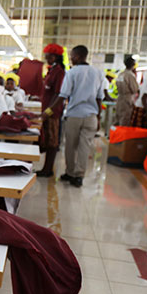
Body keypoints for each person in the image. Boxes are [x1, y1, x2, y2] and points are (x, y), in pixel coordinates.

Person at [43, 45, 104, 188]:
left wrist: (48, 112)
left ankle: (70, 173)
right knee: (85, 147)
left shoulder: (72, 73)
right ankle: (79, 176)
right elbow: (99, 98)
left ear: (77, 56)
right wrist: (99, 118)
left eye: (72, 56)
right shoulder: (98, 73)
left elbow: (62, 96)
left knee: (70, 146)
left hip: (74, 115)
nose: (70, 58)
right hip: (91, 116)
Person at [36, 44, 67, 177]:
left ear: (54, 56)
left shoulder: (59, 71)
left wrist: (48, 111)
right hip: (48, 111)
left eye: (48, 56)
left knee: (52, 142)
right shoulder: (51, 70)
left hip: (53, 113)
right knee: (47, 140)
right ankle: (46, 168)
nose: (46, 58)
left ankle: (47, 170)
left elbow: (59, 94)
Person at [115, 57, 139, 126]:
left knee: (117, 119)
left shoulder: (121, 74)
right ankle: (122, 136)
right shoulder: (130, 75)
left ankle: (114, 135)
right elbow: (134, 89)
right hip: (127, 100)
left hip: (119, 99)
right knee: (125, 120)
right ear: (133, 65)